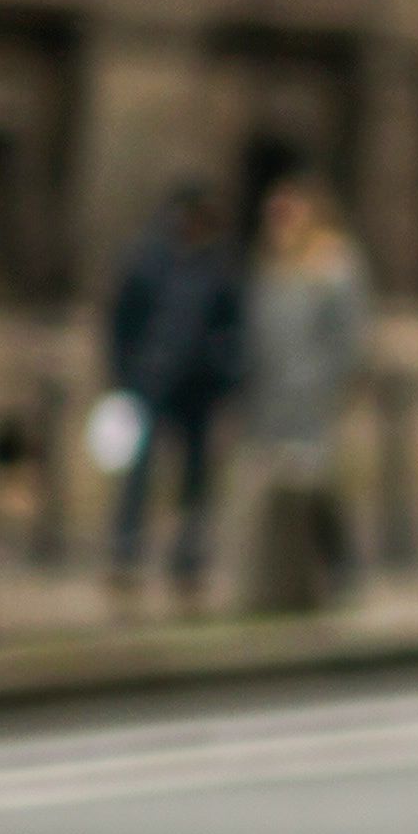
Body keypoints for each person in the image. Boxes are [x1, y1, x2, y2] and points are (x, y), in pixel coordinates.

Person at [102, 180, 246, 609]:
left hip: (197, 390)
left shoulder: (218, 267)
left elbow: (231, 325)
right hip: (149, 383)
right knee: (137, 476)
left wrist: (223, 374)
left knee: (195, 481)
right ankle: (127, 555)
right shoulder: (148, 261)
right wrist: (126, 374)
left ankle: (188, 560)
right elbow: (122, 319)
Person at [241, 176, 376, 608]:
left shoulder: (332, 266)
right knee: (286, 489)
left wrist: (335, 385)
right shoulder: (272, 267)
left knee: (318, 484)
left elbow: (348, 335)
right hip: (274, 397)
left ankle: (342, 568)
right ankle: (295, 576)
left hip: (314, 396)